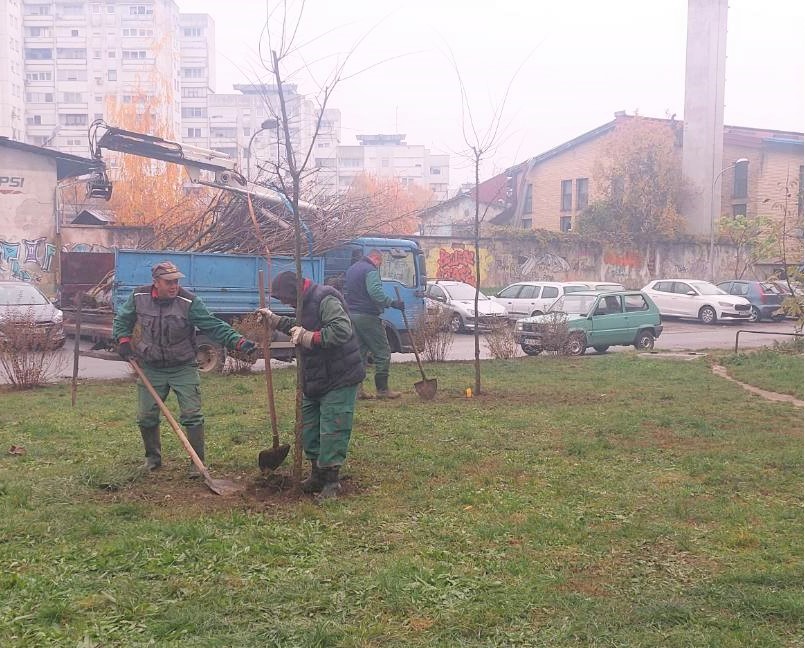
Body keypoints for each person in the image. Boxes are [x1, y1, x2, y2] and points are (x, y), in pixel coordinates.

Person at [113, 261, 257, 474]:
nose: (174, 286)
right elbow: (123, 320)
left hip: (183, 366)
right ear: (156, 282)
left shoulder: (188, 302)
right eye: (169, 282)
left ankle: (197, 465)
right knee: (146, 416)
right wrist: (123, 341)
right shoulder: (138, 297)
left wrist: (238, 342)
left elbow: (213, 325)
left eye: (177, 282)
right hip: (151, 366)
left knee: (192, 415)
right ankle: (152, 459)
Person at [257, 271, 365, 499]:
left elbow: (341, 331)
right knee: (309, 428)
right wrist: (274, 320)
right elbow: (300, 327)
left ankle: (332, 481)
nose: (285, 302)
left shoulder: (326, 299)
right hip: (315, 377)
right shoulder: (304, 303)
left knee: (332, 428)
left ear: (295, 291)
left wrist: (308, 337)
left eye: (285, 298)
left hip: (339, 375)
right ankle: (317, 474)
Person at [344, 249, 405, 399]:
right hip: (367, 316)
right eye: (380, 263)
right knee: (383, 351)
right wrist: (392, 303)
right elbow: (375, 292)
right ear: (376, 259)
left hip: (352, 314)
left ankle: (357, 391)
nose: (379, 266)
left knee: (359, 353)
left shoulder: (352, 269)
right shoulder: (370, 270)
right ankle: (382, 390)